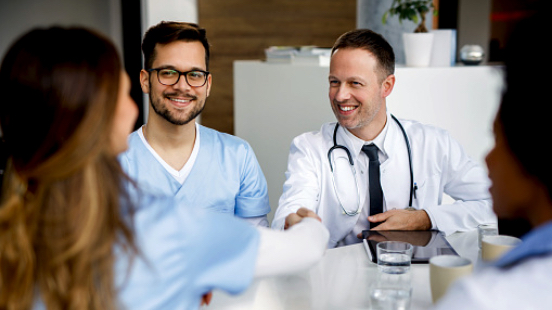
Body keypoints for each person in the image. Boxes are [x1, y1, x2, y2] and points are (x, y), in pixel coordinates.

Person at [0, 26, 328, 310]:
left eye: (194, 74)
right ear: (94, 118)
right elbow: (302, 251)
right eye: (121, 92)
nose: (130, 107)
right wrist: (308, 224)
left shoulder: (15, 228)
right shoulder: (158, 226)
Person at [272, 29, 496, 247]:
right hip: (338, 275)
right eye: (334, 82)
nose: (340, 96)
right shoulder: (310, 148)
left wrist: (427, 218)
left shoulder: (433, 143)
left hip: (409, 273)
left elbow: (491, 203)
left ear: (386, 86)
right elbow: (291, 209)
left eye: (355, 83)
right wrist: (293, 225)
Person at [432, 4, 552, 309]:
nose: (487, 158)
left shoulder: (484, 299)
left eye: (496, 138)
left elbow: (482, 203)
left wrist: (425, 216)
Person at [119, 21, 270, 227]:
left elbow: (257, 246)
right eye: (169, 73)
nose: (182, 86)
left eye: (195, 75)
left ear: (207, 85)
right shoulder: (113, 164)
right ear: (146, 81)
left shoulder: (238, 156)